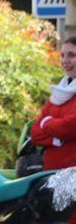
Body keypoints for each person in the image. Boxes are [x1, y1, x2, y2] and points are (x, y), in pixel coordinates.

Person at [31, 36, 76, 170]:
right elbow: (35, 133)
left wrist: (46, 122)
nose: (65, 60)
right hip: (50, 172)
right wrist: (57, 139)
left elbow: (71, 126)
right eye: (62, 55)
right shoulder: (60, 91)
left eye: (72, 55)